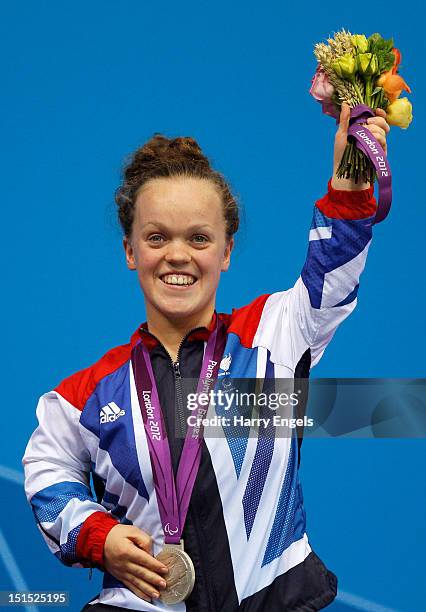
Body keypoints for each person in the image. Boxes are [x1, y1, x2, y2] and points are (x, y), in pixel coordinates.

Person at [23, 103, 390, 611]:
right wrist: (95, 533)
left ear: (226, 251)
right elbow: (48, 468)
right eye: (156, 237)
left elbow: (333, 272)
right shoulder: (86, 394)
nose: (178, 255)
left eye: (199, 238)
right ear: (130, 251)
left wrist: (350, 184)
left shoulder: (273, 336)